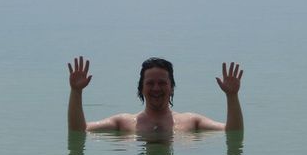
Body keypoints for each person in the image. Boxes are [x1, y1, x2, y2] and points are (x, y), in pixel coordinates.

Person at [67, 56, 243, 133]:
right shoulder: (124, 122)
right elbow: (79, 130)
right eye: (150, 83)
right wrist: (76, 92)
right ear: (141, 88)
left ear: (172, 88)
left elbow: (232, 131)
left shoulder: (191, 121)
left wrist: (232, 96)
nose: (156, 88)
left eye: (162, 83)